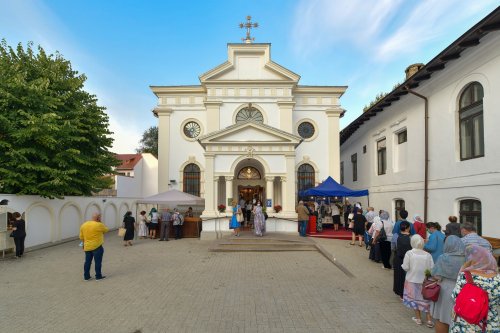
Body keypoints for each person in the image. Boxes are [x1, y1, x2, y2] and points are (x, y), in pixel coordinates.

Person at [450, 245, 499, 333]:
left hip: (465, 323)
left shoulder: (465, 275)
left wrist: (464, 267)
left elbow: (455, 297)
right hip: (489, 324)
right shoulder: (498, 279)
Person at [430, 236, 466, 333]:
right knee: (458, 318)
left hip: (445, 290)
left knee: (441, 318)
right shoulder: (467, 258)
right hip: (462, 290)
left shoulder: (443, 257)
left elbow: (435, 275)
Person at [402, 234, 434, 328]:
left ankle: (418, 318)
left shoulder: (409, 253)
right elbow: (432, 268)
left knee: (414, 299)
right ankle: (429, 320)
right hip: (425, 281)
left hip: (411, 279)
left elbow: (406, 267)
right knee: (426, 300)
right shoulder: (428, 255)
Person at [79, 213, 109, 281]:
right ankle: (98, 276)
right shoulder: (99, 224)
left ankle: (86, 277)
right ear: (98, 218)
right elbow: (106, 230)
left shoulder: (84, 224)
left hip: (87, 247)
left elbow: (81, 237)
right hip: (97, 246)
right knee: (98, 262)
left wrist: (83, 244)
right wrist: (100, 222)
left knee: (87, 262)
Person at [393, 221, 412, 299]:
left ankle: (400, 292)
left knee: (399, 276)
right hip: (409, 259)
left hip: (398, 258)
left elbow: (393, 247)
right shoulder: (412, 237)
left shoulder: (396, 236)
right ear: (408, 228)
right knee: (407, 276)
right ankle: (408, 293)